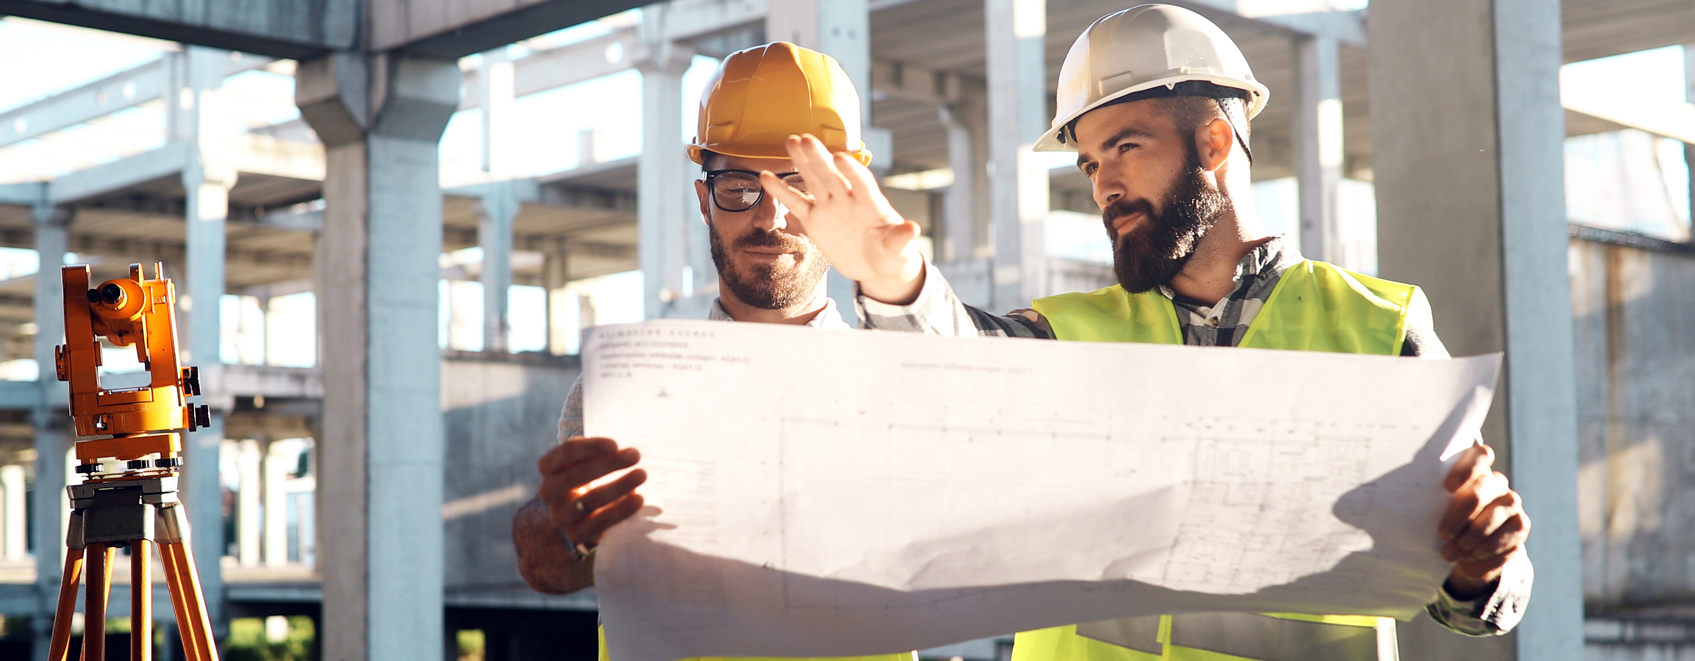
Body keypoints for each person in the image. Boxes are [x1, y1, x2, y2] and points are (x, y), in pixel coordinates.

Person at [757, 5, 1532, 660]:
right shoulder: (1065, 337)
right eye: (1089, 164)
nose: (1104, 185)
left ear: (1214, 144)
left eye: (1124, 147)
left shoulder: (1378, 326)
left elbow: (1477, 594)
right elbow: (956, 370)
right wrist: (896, 282)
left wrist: (1481, 568)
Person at [509, 42, 915, 661]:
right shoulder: (629, 389)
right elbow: (559, 563)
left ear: (843, 198)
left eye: (798, 186)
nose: (770, 215)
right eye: (739, 187)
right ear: (704, 200)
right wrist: (552, 529)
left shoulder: (903, 382)